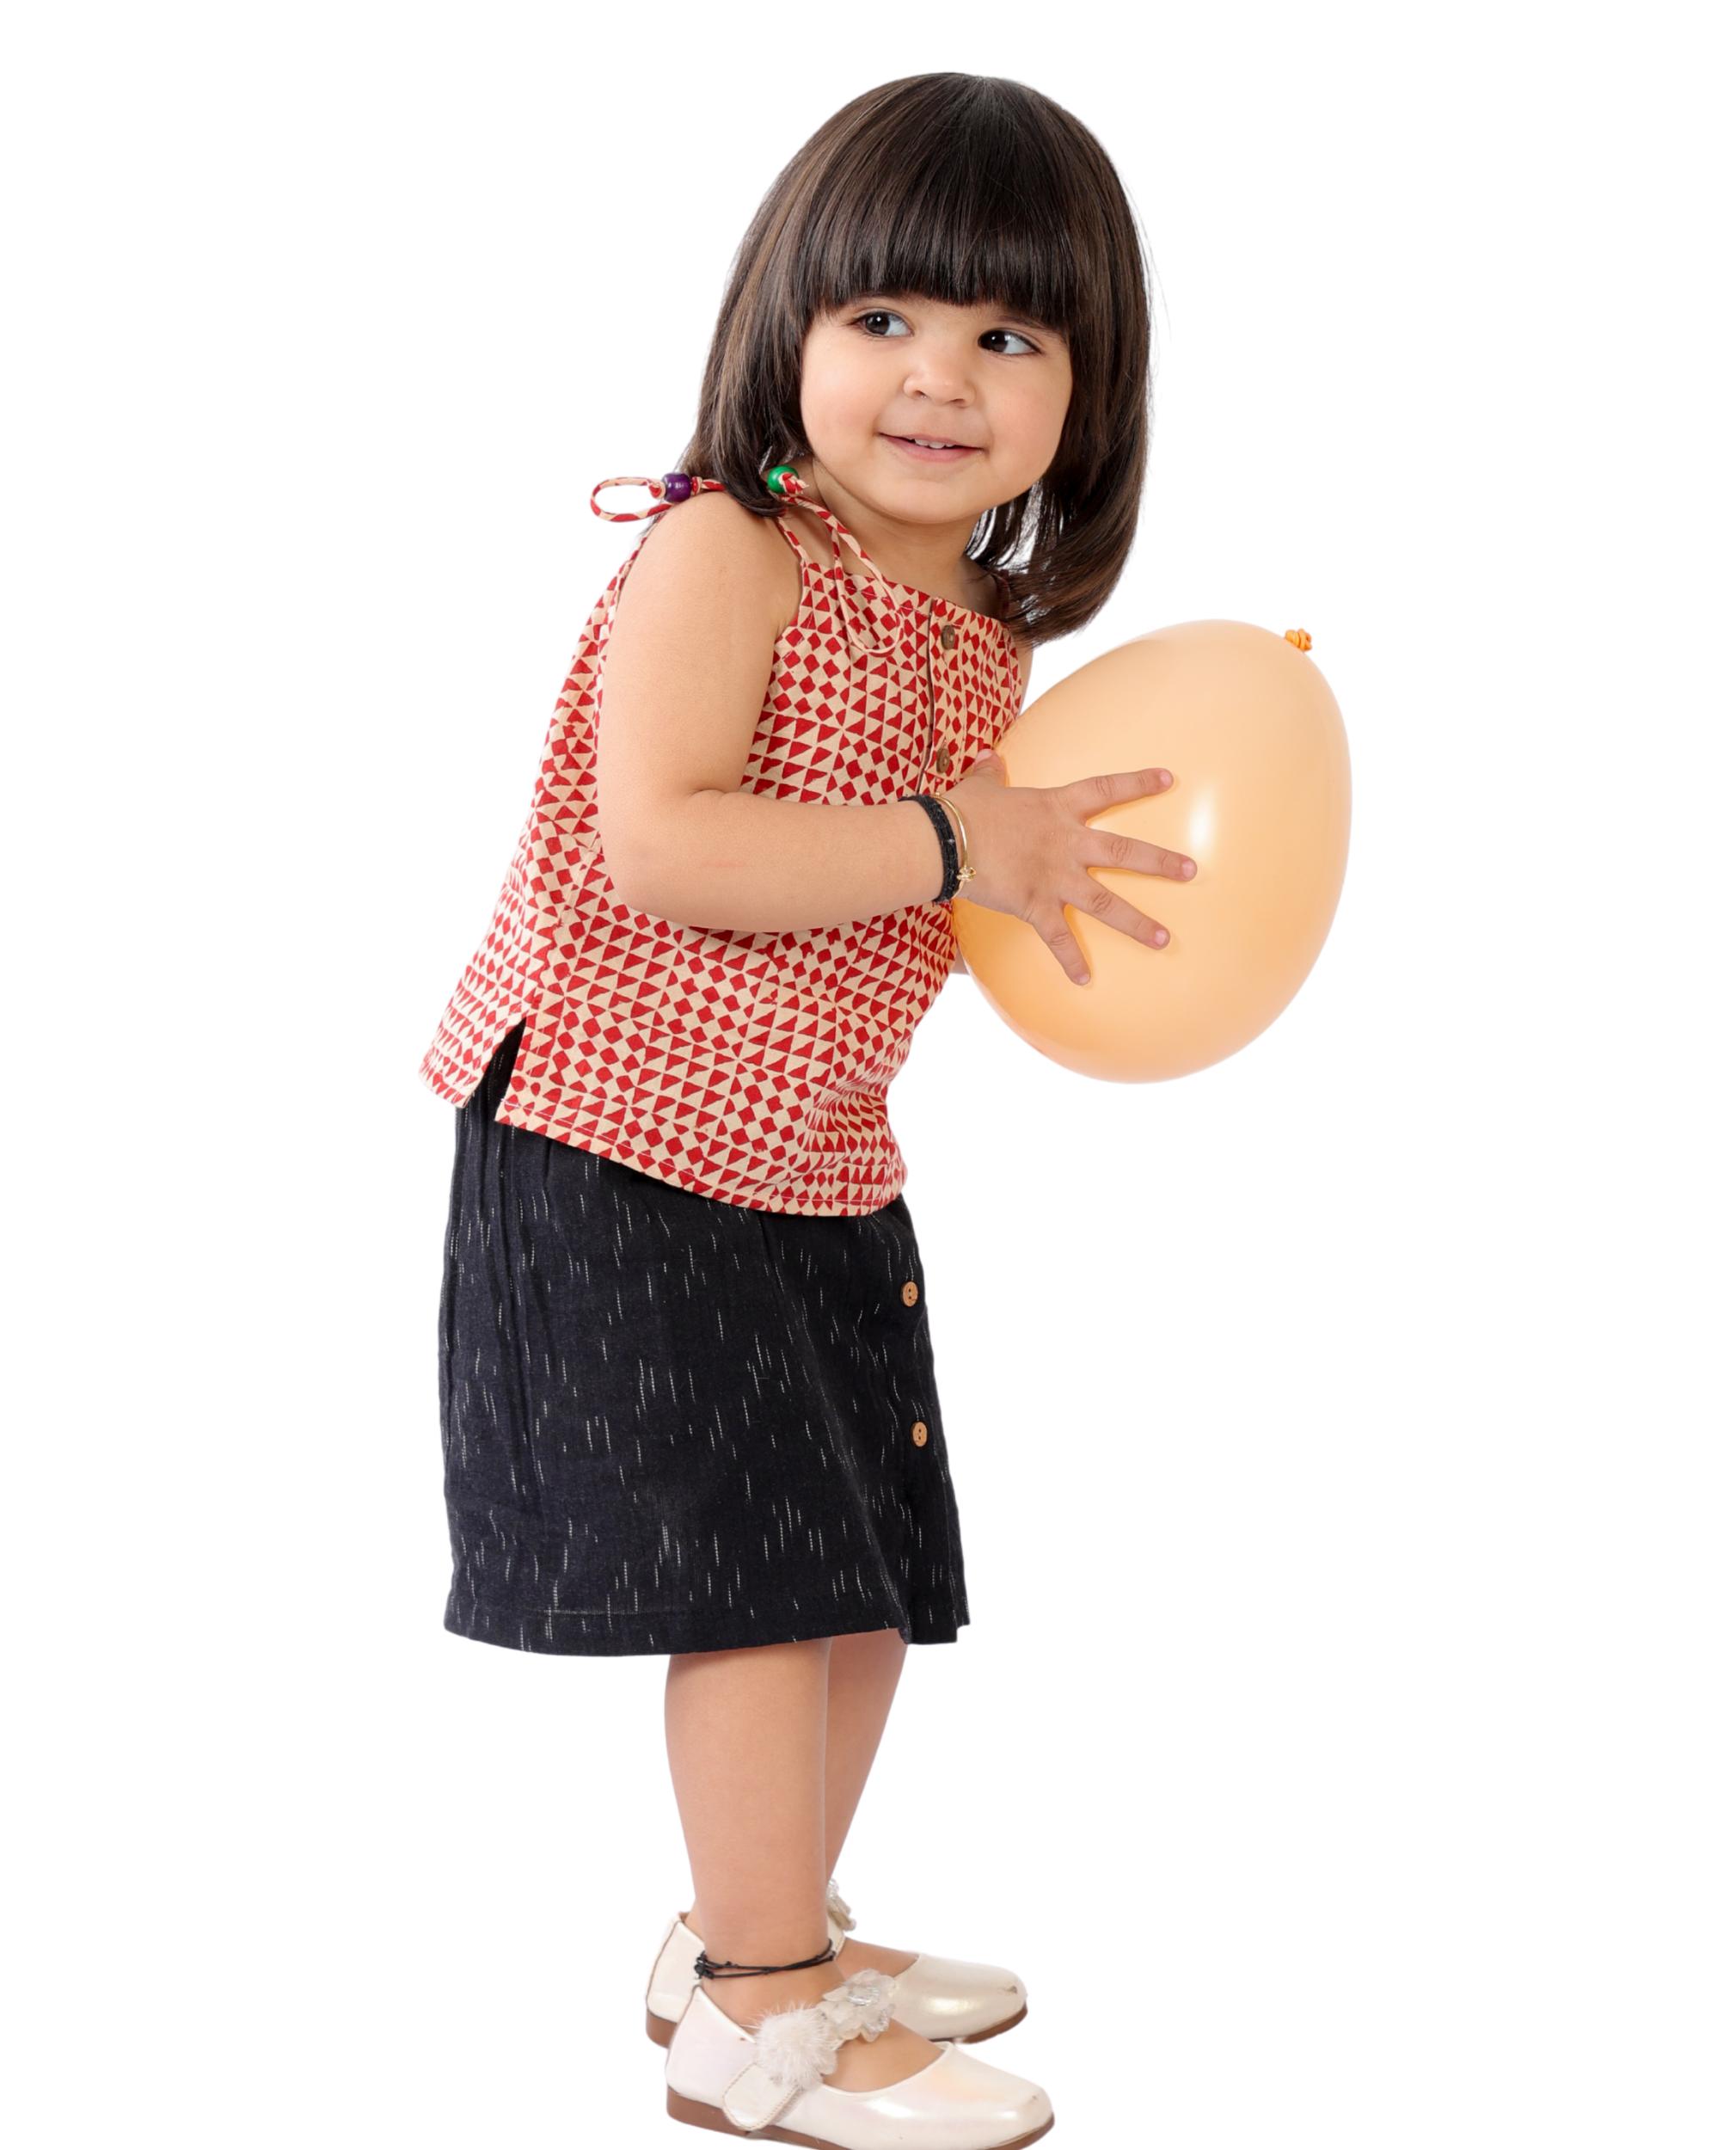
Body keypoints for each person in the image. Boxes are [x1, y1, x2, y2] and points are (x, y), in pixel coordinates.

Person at [418, 71, 1193, 2150]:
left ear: (1082, 395)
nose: (939, 376)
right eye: (886, 321)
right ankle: (751, 2013)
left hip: (810, 1144)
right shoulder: (731, 555)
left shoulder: (979, 630)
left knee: (863, 1568)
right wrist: (963, 838)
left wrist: (1031, 870)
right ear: (790, 329)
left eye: (1010, 338)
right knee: (754, 1581)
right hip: (613, 1127)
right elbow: (668, 843)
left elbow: (956, 884)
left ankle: (769, 1926)